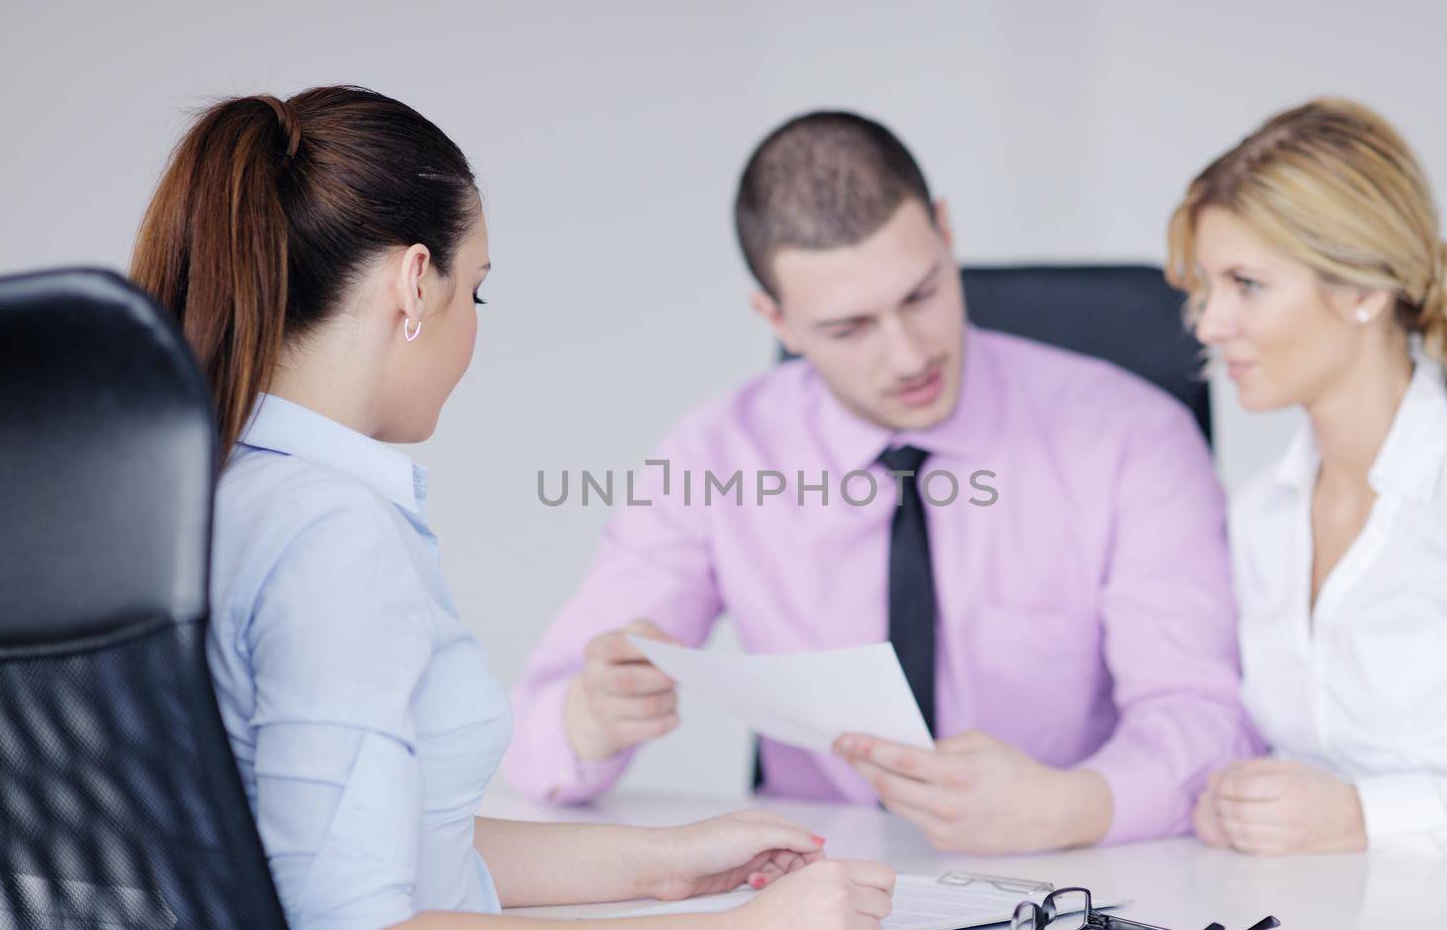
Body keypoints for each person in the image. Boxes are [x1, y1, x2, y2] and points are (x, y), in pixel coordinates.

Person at [130, 86, 895, 930]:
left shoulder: (222, 496)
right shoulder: (334, 534)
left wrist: (665, 862)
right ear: (416, 283)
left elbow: (387, 851)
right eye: (477, 286)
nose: (477, 322)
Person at [505, 110, 1260, 854]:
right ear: (777, 319)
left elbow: (1202, 717)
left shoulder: (1134, 437)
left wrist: (1073, 806)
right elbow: (535, 737)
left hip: (1077, 883)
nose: (907, 356)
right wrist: (591, 717)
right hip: (812, 889)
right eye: (848, 328)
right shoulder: (717, 455)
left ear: (945, 231)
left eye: (921, 294)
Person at [1174, 97, 1447, 861]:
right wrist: (1236, 800)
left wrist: (1367, 818)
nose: (1209, 323)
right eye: (1205, 287)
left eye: (1246, 284)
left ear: (1363, 291)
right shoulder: (1261, 515)